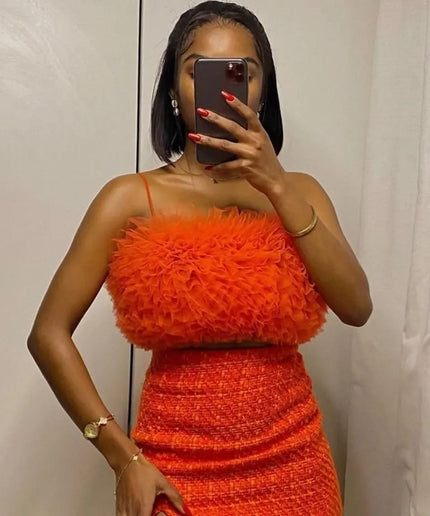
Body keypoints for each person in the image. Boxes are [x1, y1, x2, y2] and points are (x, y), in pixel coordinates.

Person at [27, 1, 373, 515]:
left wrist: (277, 185)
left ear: (262, 90)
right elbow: (48, 334)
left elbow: (357, 307)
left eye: (242, 72)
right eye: (198, 71)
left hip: (293, 463)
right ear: (173, 88)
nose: (225, 89)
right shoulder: (129, 198)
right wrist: (123, 459)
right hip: (172, 465)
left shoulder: (300, 191)